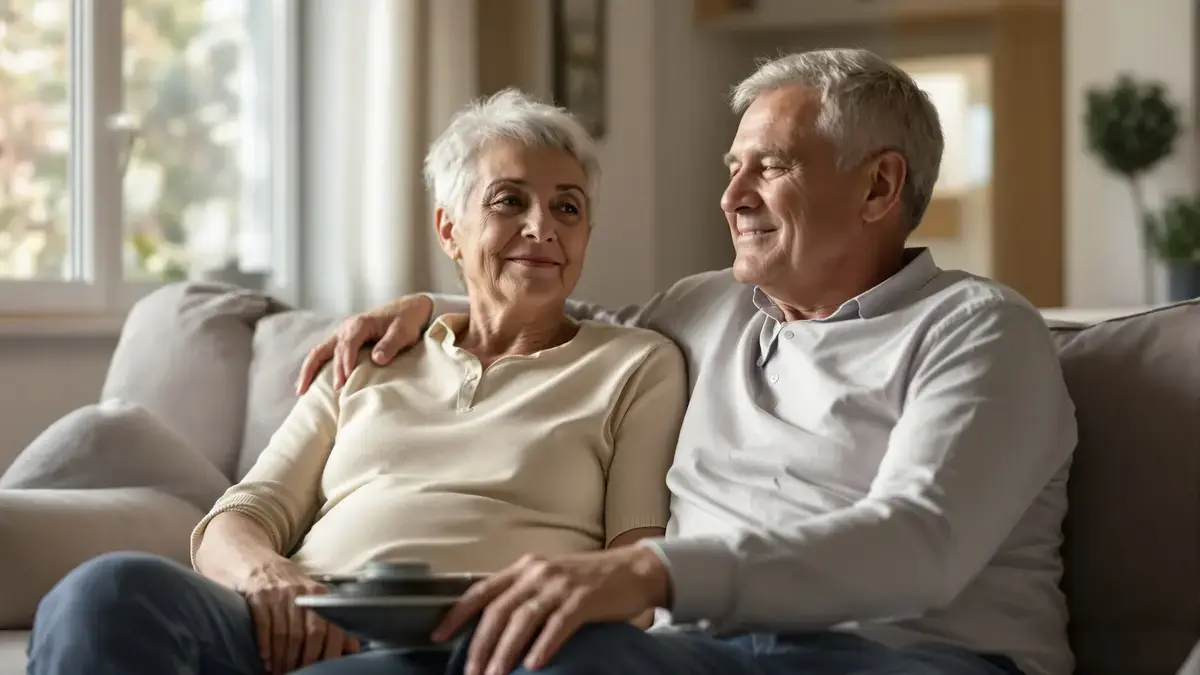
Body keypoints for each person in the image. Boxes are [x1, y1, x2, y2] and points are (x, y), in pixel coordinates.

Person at [294, 48, 1079, 675]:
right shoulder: (706, 309)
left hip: (905, 655)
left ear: (879, 186)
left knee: (557, 654)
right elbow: (549, 318)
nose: (732, 197)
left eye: (770, 166)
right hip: (702, 651)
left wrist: (651, 572)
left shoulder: (980, 331)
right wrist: (430, 305)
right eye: (732, 169)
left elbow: (920, 543)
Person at [24, 89, 688, 675]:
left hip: (472, 644)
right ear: (449, 229)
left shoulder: (635, 365)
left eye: (567, 208)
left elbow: (635, 562)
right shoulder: (374, 357)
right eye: (509, 201)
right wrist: (269, 576)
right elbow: (238, 517)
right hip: (299, 624)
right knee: (104, 591)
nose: (542, 227)